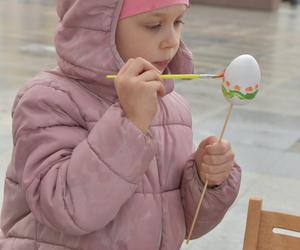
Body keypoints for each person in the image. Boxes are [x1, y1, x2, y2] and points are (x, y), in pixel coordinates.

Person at [0, 0, 241, 249]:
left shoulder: (172, 106)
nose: (172, 41)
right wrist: (130, 123)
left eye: (178, 22)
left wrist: (206, 181)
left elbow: (184, 226)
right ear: (99, 27)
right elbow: (65, 207)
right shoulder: (47, 99)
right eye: (154, 25)